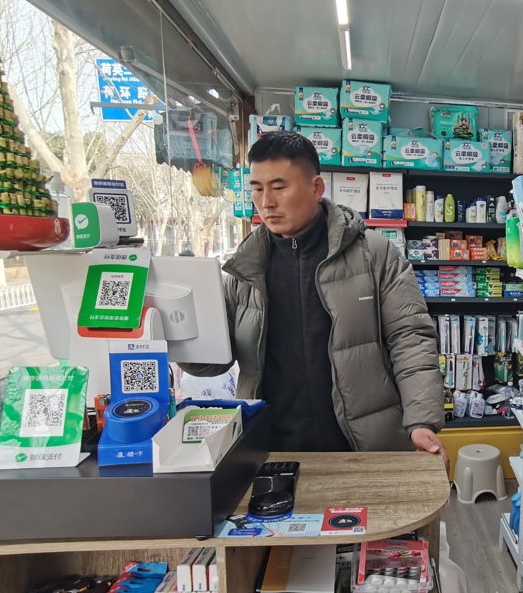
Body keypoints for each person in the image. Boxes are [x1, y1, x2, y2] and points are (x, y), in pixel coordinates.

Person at [180, 131, 446, 461]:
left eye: (279, 187)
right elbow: (212, 363)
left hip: (363, 448)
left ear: (316, 188)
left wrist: (421, 422)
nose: (266, 202)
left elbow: (411, 339)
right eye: (257, 189)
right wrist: (175, 332)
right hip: (268, 450)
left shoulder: (374, 255)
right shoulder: (244, 269)